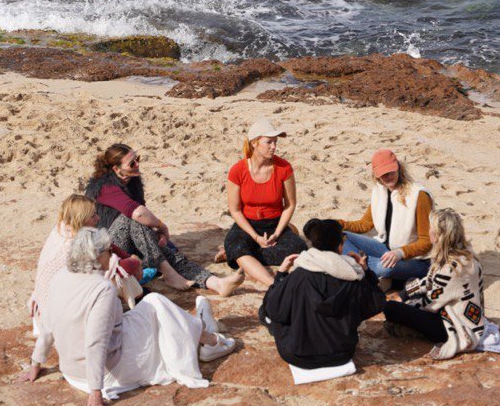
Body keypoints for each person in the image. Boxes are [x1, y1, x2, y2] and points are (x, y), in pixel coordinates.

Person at [46, 227, 236, 406]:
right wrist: (96, 391)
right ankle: (209, 338)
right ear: (96, 257)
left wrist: (36, 362)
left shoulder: (59, 277)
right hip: (107, 373)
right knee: (156, 303)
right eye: (108, 251)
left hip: (73, 373)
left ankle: (201, 328)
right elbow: (96, 341)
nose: (112, 255)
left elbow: (46, 324)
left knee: (153, 309)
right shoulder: (102, 288)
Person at [86, 143, 242, 297]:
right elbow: (139, 214)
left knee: (169, 253)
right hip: (107, 249)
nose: (138, 164)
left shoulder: (133, 182)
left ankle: (216, 283)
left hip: (133, 242)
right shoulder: (104, 187)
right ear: (116, 169)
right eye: (132, 163)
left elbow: (143, 219)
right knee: (132, 219)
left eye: (138, 158)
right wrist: (162, 227)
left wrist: (155, 234)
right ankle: (168, 273)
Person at [20, 193, 142, 383]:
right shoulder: (79, 252)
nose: (98, 218)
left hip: (48, 310)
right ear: (82, 220)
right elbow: (95, 342)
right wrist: (134, 262)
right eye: (93, 215)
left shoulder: (60, 230)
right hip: (71, 314)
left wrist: (35, 363)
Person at [259, 218, 385, 370]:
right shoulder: (352, 276)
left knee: (268, 308)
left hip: (297, 356)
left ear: (313, 245)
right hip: (341, 354)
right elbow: (376, 304)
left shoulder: (299, 276)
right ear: (340, 246)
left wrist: (281, 275)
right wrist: (366, 272)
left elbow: (274, 309)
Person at [383, 207, 485, 360]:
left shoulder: (453, 268)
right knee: (410, 284)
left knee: (391, 309)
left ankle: (411, 330)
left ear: (439, 235)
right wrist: (404, 294)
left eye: (431, 228)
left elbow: (430, 303)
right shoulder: (462, 255)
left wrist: (405, 303)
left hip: (453, 325)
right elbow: (430, 281)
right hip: (450, 308)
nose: (428, 231)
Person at [224, 118, 303, 289]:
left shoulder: (284, 168)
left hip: (274, 224)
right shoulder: (238, 170)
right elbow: (235, 210)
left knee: (299, 248)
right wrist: (255, 237)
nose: (274, 147)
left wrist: (277, 233)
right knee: (235, 244)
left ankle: (242, 257)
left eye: (275, 142)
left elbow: (290, 204)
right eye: (269, 142)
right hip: (248, 225)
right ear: (254, 143)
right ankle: (274, 284)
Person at [338, 148, 433, 287]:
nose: (388, 176)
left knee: (385, 268)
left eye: (391, 171)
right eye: (383, 174)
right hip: (384, 249)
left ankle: (359, 266)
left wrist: (400, 253)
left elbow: (427, 241)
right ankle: (362, 266)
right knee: (342, 235)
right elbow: (365, 224)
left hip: (415, 260)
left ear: (399, 168)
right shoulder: (379, 191)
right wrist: (338, 224)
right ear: (376, 176)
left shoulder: (419, 196)